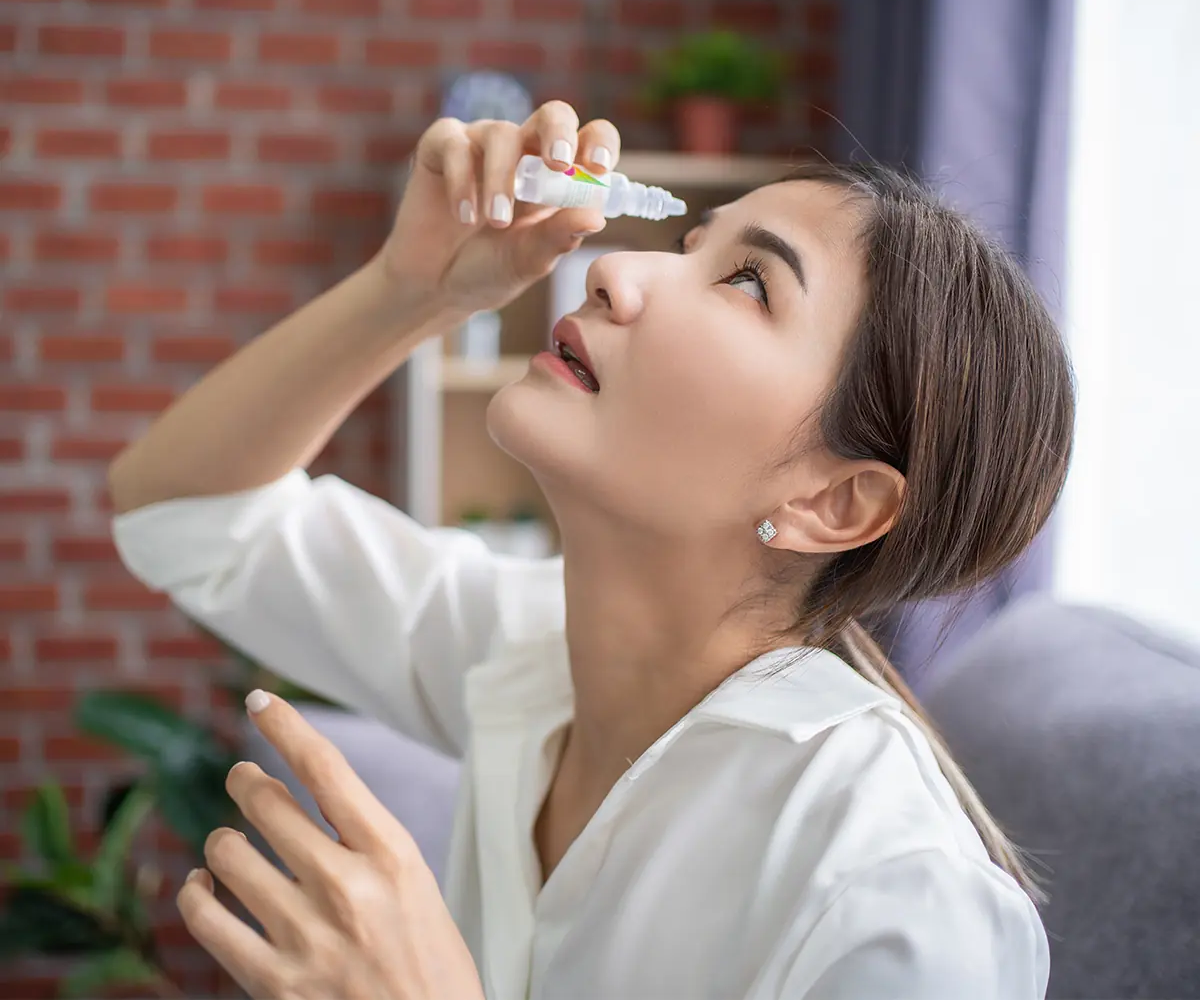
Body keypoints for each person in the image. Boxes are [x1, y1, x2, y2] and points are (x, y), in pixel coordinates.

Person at [109, 102, 1074, 999]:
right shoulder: (529, 653)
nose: (615, 269)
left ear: (834, 499)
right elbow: (183, 513)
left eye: (748, 281)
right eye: (694, 244)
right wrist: (410, 289)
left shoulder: (897, 901)